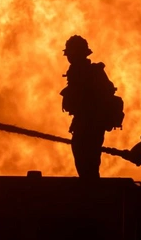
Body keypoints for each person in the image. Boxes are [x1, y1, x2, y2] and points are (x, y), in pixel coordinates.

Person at [59, 35, 119, 179]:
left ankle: (90, 192)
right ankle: (89, 187)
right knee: (84, 164)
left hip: (90, 125)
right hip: (84, 123)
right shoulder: (78, 72)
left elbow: (100, 98)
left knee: (88, 165)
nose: (69, 58)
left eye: (71, 54)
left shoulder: (91, 73)